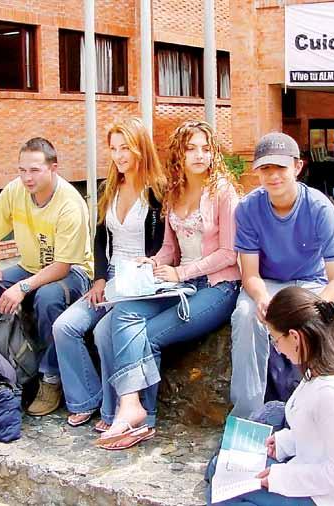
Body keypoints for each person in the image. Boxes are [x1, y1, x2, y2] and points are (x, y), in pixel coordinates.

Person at [94, 120, 241, 449]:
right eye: (191, 149)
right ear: (179, 154)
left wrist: (181, 273)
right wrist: (154, 262)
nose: (200, 155)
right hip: (178, 284)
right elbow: (169, 249)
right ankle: (130, 406)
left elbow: (229, 254)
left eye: (206, 148)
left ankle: (141, 416)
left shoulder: (222, 192)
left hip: (217, 287)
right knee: (125, 314)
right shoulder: (174, 192)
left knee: (146, 334)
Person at [206, 287, 334, 506]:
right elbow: (320, 434)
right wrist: (284, 443)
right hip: (315, 478)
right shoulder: (320, 369)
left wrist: (280, 478)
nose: (277, 349)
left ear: (294, 337)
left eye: (275, 340)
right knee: (221, 467)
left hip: (332, 498)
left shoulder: (333, 394)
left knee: (221, 489)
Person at [230, 131, 334, 418]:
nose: (273, 175)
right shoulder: (248, 208)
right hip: (268, 283)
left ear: (297, 167)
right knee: (245, 315)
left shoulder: (319, 207)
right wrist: (261, 298)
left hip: (311, 285)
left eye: (280, 167)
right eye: (265, 168)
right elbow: (250, 274)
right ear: (257, 172)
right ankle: (247, 415)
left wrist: (316, 306)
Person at [0, 137, 94, 416]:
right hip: (30, 267)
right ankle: (3, 367)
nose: (27, 177)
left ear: (53, 168)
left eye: (34, 170)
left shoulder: (70, 203)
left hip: (74, 271)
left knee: (47, 297)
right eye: (22, 170)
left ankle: (50, 378)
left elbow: (62, 267)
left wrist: (22, 288)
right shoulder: (16, 189)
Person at [52, 118, 166, 429]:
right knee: (64, 327)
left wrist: (148, 266)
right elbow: (101, 239)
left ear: (141, 148)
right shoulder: (109, 187)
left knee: (105, 332)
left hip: (140, 281)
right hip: (111, 276)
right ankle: (85, 398)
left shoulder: (158, 191)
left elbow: (163, 245)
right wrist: (100, 278)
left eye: (125, 148)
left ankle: (115, 410)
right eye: (113, 149)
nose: (118, 156)